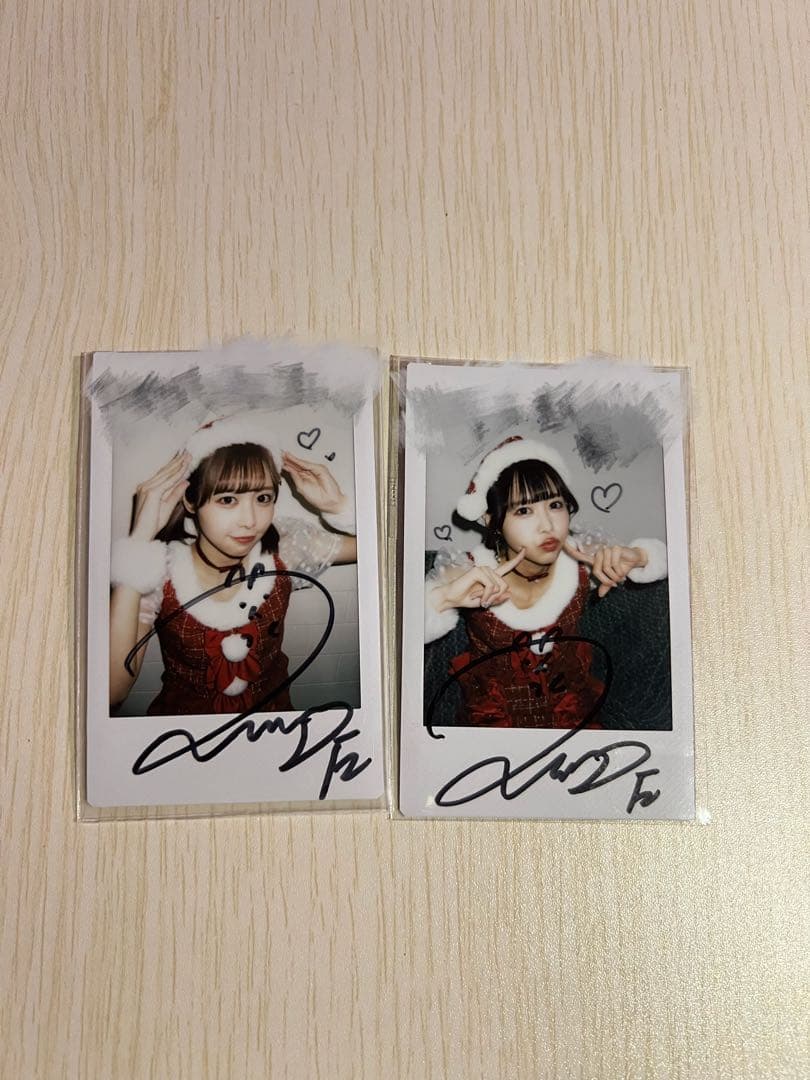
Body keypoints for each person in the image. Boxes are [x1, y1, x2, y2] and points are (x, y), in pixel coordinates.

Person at [109, 413, 356, 715]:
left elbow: (385, 548)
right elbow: (113, 691)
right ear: (190, 501)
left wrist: (340, 506)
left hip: (273, 723)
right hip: (186, 733)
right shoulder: (157, 570)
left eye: (263, 498)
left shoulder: (287, 548)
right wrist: (139, 543)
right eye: (228, 500)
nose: (250, 521)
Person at [424, 435, 668, 729]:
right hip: (494, 718)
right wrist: (444, 598)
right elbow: (398, 635)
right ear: (491, 519)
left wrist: (640, 556)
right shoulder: (468, 570)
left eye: (555, 504)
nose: (547, 526)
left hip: (572, 709)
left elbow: (670, 562)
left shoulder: (582, 554)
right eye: (524, 510)